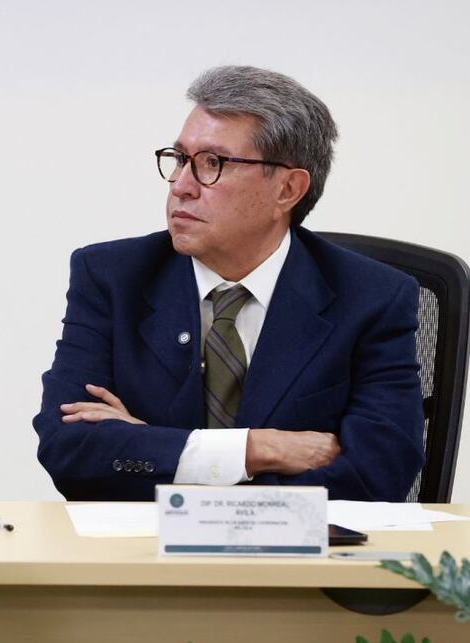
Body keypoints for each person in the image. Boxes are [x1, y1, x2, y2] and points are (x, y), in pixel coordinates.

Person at [34, 65, 424, 502]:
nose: (181, 186)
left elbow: (378, 475)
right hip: (144, 547)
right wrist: (256, 449)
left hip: (301, 549)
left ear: (288, 189)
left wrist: (156, 449)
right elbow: (69, 450)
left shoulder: (372, 297)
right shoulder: (112, 276)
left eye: (212, 164)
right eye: (180, 159)